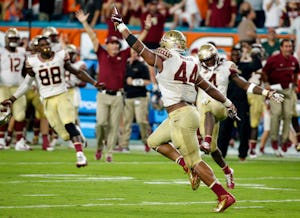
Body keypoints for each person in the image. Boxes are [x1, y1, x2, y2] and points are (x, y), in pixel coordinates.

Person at [111, 9, 238, 212]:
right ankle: (185, 165)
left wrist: (121, 26)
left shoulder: (165, 58)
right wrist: (228, 102)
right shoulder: (193, 62)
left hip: (181, 116)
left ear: (167, 46)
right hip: (184, 114)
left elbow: (139, 47)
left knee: (196, 161)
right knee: (153, 141)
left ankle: (223, 195)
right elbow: (209, 87)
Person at [0, 36, 103, 167]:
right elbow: (26, 84)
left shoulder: (60, 56)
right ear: (37, 48)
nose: (46, 47)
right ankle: (77, 132)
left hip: (62, 95)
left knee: (68, 123)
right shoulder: (32, 61)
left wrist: (94, 83)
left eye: (47, 44)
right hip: (47, 100)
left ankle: (80, 156)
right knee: (65, 135)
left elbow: (77, 72)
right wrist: (12, 99)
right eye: (42, 45)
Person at [196, 43, 283, 186]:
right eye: (206, 60)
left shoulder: (226, 67)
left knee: (209, 107)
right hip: (201, 107)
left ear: (216, 55)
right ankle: (227, 170)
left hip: (220, 105)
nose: (210, 62)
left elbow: (245, 84)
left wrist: (267, 93)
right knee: (212, 149)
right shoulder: (196, 68)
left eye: (211, 58)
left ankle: (206, 140)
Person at [75, 9, 151, 162]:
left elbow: (136, 43)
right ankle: (99, 147)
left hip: (118, 96)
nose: (115, 46)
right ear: (107, 45)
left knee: (114, 127)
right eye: (112, 44)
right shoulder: (101, 54)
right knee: (101, 124)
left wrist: (147, 30)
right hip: (103, 94)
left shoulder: (123, 56)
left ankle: (109, 153)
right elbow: (92, 36)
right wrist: (84, 22)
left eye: (117, 44)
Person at [262, 39, 300, 156]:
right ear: (281, 48)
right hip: (275, 90)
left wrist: (294, 84)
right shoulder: (273, 60)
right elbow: (264, 72)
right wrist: (266, 83)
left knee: (288, 115)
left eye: (290, 46)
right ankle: (274, 140)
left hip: (288, 90)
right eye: (286, 46)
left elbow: (296, 72)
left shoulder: (294, 60)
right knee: (276, 113)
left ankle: (284, 141)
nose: (288, 48)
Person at [0, 28, 30, 151]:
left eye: (15, 39)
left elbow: (25, 70)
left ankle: (19, 142)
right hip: (2, 86)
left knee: (20, 115)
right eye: (11, 38)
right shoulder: (1, 52)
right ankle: (1, 140)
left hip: (18, 87)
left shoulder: (22, 52)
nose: (13, 41)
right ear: (7, 39)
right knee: (2, 113)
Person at [117, 49, 152, 152]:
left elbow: (147, 82)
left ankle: (147, 142)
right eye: (133, 53)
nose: (134, 55)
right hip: (128, 97)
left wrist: (134, 82)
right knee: (127, 122)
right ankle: (124, 145)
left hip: (140, 97)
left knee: (141, 121)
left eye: (136, 53)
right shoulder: (125, 66)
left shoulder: (142, 66)